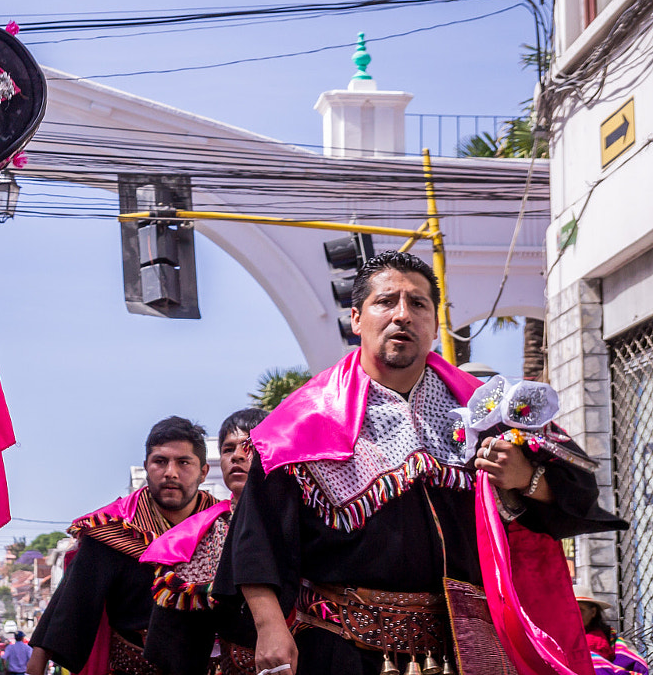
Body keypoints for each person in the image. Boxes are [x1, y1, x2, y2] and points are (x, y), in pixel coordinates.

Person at [219, 251, 626, 675]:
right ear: (357, 319)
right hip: (341, 646)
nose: (402, 315)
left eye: (418, 304)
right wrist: (269, 626)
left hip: (470, 648)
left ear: (434, 322)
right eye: (386, 302)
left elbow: (579, 489)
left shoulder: (487, 409)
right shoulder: (300, 424)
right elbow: (257, 536)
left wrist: (527, 477)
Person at [29, 416, 217, 674]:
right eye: (160, 461)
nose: (170, 472)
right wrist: (36, 664)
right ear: (146, 466)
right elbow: (73, 601)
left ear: (203, 472)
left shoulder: (224, 526)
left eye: (184, 462)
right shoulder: (113, 531)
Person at [140, 408, 267, 675]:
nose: (237, 456)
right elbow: (173, 649)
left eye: (249, 446)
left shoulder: (310, 517)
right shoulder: (200, 534)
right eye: (227, 449)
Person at [578, 592, 650, 675]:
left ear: (593, 612)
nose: (573, 615)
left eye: (580, 610)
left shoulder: (596, 640)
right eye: (569, 611)